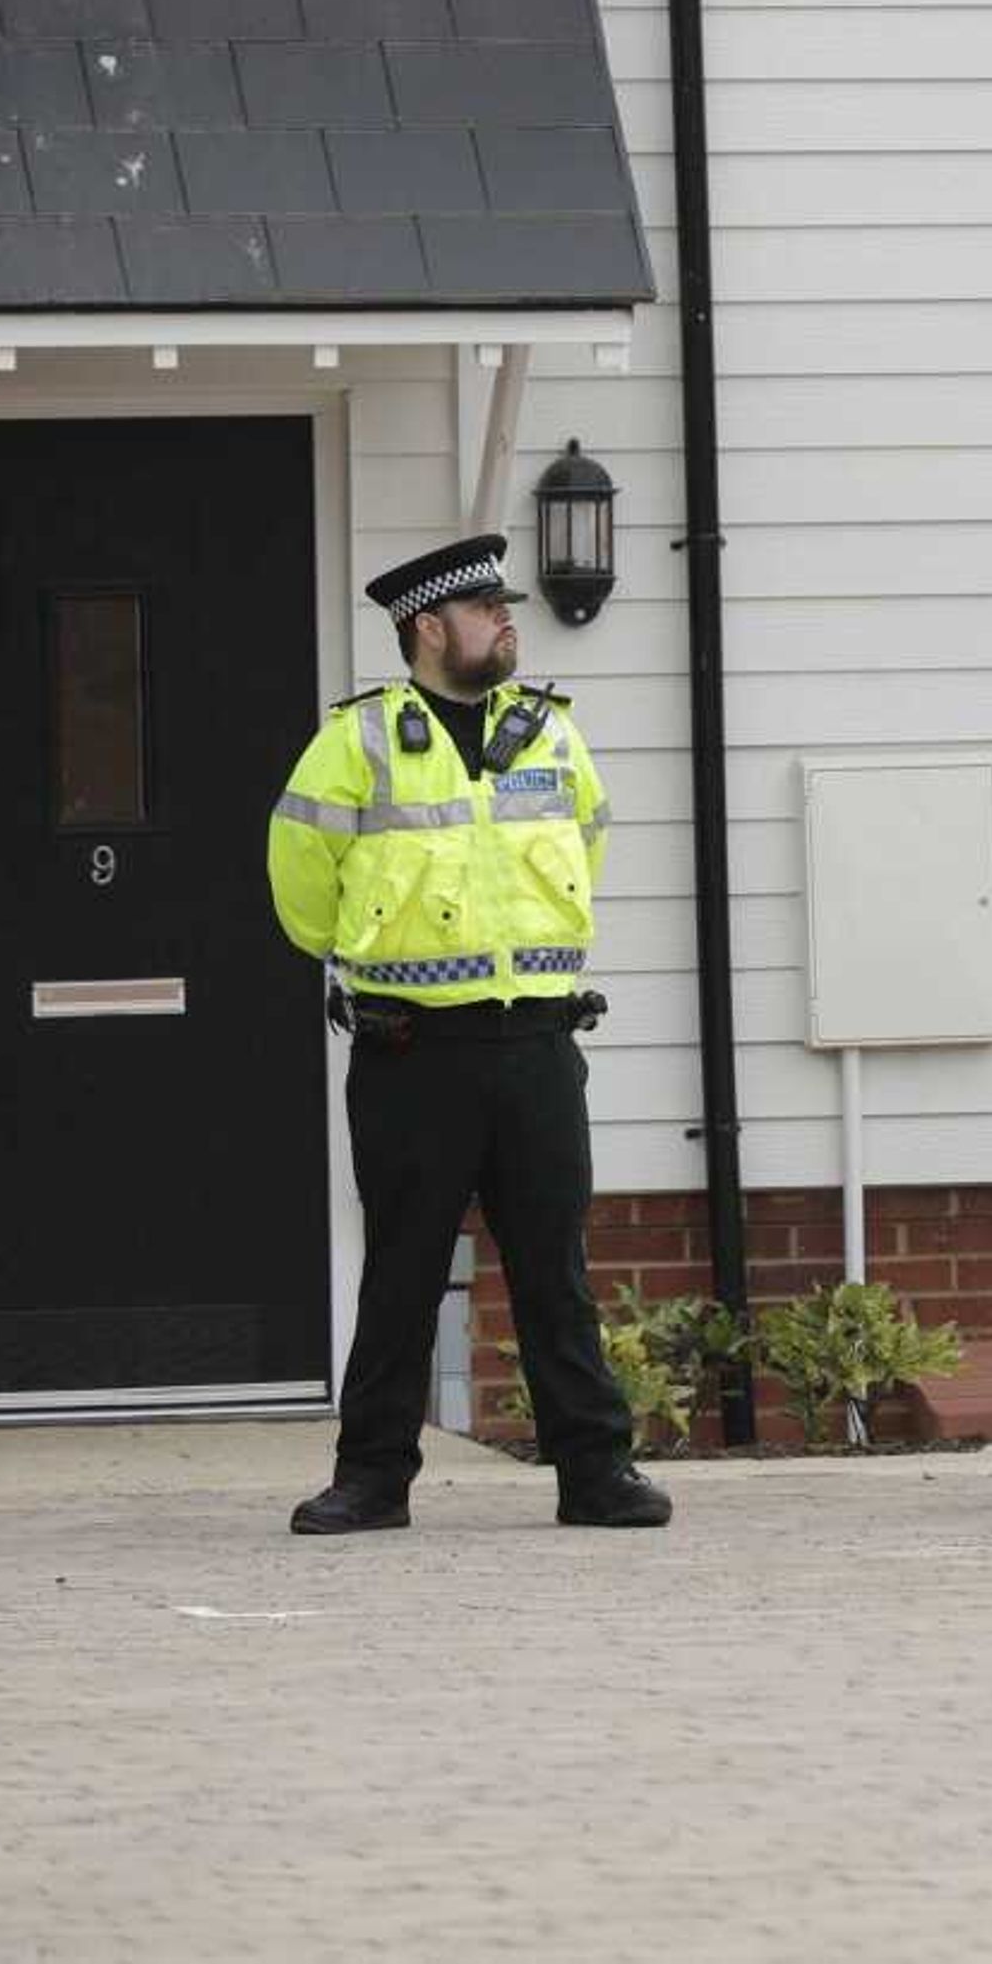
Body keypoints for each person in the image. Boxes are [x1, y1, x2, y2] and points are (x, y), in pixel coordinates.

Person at [267, 533, 669, 1537]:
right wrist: (366, 955)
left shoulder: (550, 733)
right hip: (411, 1049)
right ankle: (372, 1479)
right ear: (429, 628)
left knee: (553, 1271)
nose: (507, 623)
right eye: (488, 611)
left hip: (536, 1044)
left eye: (506, 609)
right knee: (401, 1271)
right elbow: (301, 882)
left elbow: (589, 842)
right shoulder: (356, 740)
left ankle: (596, 1473)